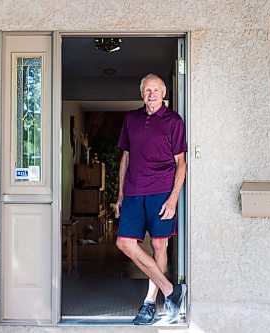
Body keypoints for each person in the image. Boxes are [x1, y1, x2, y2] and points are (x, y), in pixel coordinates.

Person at [115, 73, 188, 325]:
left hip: (161, 192)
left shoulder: (174, 121)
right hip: (134, 190)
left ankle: (149, 303)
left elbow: (181, 163)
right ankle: (171, 290)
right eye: (147, 90)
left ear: (164, 93)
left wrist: (173, 198)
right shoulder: (131, 119)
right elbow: (125, 157)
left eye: (156, 90)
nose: (152, 95)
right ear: (141, 93)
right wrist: (121, 193)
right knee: (124, 243)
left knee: (159, 246)